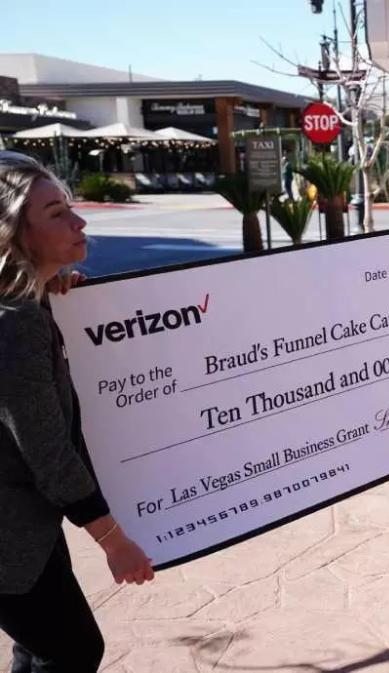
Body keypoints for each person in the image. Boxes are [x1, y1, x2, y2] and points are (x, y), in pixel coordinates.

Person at [0, 151, 155, 672]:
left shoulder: (24, 304)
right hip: (9, 534)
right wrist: (113, 541)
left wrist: (49, 288)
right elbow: (46, 448)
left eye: (70, 206)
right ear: (10, 235)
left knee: (41, 646)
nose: (79, 220)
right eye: (55, 213)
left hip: (26, 528)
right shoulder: (14, 323)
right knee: (72, 650)